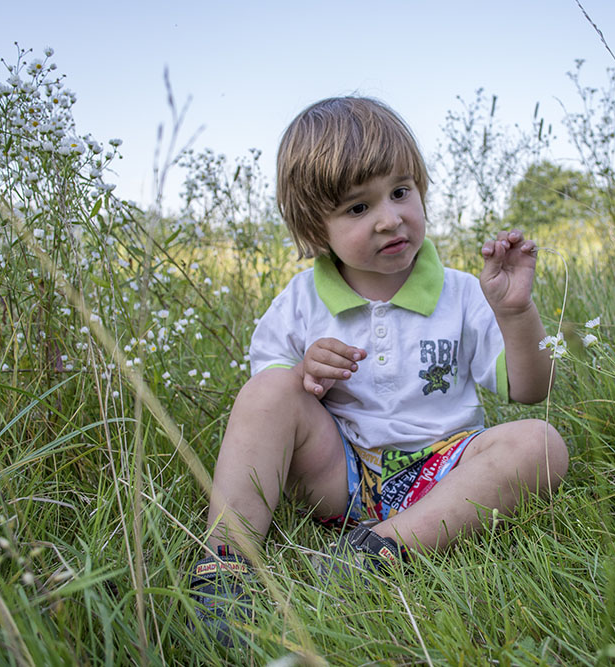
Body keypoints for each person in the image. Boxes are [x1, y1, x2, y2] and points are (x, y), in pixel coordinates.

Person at [190, 96, 568, 645]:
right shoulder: (301, 302)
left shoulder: (462, 294)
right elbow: (265, 401)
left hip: (449, 469)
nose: (390, 218)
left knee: (540, 443)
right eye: (357, 208)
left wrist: (515, 312)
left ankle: (375, 552)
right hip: (342, 472)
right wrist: (304, 372)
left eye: (400, 192)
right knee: (270, 389)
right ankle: (225, 560)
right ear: (315, 228)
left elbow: (533, 390)